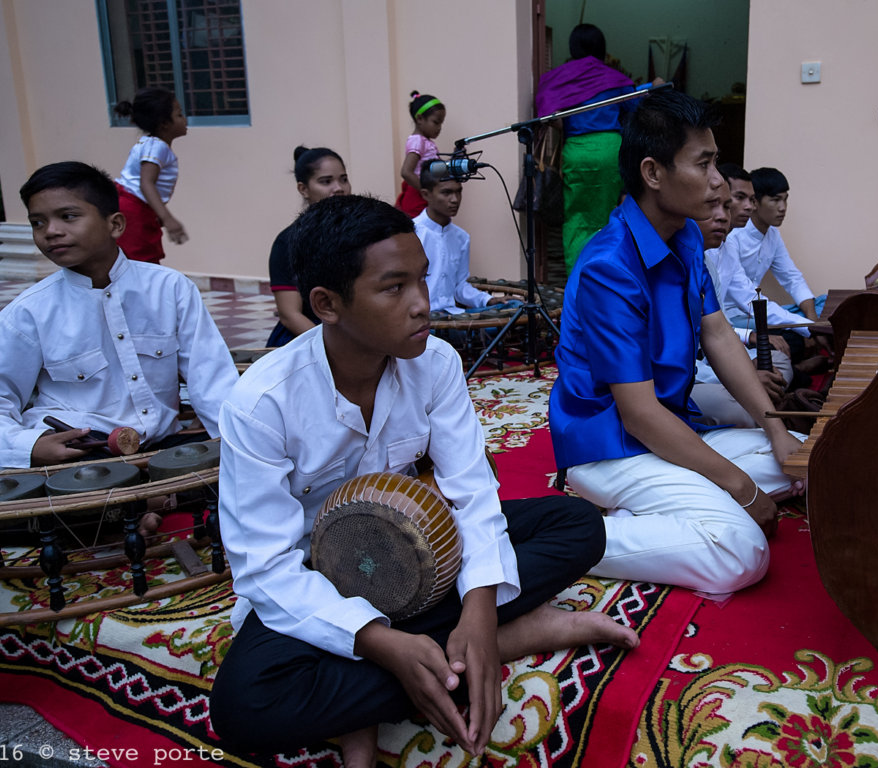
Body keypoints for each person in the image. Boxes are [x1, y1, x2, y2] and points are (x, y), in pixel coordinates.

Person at [209, 194, 638, 767]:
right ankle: (510, 639)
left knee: (577, 523)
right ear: (327, 304)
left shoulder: (435, 363)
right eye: (394, 288)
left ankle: (434, 658)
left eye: (423, 280)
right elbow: (265, 566)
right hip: (320, 575)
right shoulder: (261, 403)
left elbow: (472, 490)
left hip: (423, 553)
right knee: (243, 709)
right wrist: (380, 642)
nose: (422, 305)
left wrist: (480, 608)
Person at [549, 90, 804, 597]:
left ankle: (672, 503)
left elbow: (718, 334)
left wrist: (774, 428)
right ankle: (570, 532)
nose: (719, 183)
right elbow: (638, 415)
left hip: (670, 426)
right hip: (610, 447)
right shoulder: (608, 267)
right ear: (652, 173)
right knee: (741, 552)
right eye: (704, 164)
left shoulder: (684, 236)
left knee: (800, 461)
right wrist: (740, 488)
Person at [0, 162, 237, 471]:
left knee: (218, 474)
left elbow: (214, 381)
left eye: (68, 217)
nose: (51, 231)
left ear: (115, 225)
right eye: (38, 222)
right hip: (80, 455)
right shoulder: (30, 311)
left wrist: (240, 446)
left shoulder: (170, 289)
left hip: (163, 446)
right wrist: (26, 446)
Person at [534, 24, 652, 274]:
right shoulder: (613, 77)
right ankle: (611, 274)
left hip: (577, 152)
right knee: (613, 213)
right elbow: (634, 106)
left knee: (576, 218)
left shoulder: (561, 78)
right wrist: (651, 87)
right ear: (602, 47)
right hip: (611, 150)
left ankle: (578, 277)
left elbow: (547, 111)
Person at [693, 182, 792, 427]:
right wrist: (745, 375)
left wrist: (810, 324)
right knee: (744, 406)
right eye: (712, 206)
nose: (723, 217)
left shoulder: (709, 260)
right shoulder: (620, 263)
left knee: (779, 361)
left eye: (727, 207)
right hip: (679, 379)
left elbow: (719, 329)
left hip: (714, 357)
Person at [267, 146, 351, 347]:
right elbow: (290, 315)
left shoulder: (361, 234)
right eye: (326, 181)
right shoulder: (287, 242)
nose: (338, 188)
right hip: (307, 340)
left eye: (343, 179)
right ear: (303, 189)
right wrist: (338, 346)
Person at [724, 166, 823, 323]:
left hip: (757, 310)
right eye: (775, 200)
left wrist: (813, 320)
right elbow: (746, 296)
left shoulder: (772, 235)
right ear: (756, 202)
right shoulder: (731, 236)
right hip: (734, 315)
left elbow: (792, 278)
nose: (783, 208)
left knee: (823, 304)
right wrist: (808, 327)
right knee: (791, 328)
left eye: (785, 199)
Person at [113, 88, 189, 263]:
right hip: (133, 209)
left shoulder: (153, 144)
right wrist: (168, 219)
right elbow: (146, 183)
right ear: (164, 124)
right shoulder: (157, 147)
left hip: (137, 207)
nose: (184, 119)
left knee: (140, 258)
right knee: (141, 260)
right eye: (179, 115)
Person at [413, 160, 496, 315]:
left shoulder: (461, 238)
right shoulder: (412, 233)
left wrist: (487, 300)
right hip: (422, 319)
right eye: (446, 193)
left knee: (513, 308)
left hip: (453, 316)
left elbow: (459, 286)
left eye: (458, 191)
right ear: (426, 194)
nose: (455, 199)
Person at [395, 91, 445, 218]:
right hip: (417, 196)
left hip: (424, 194)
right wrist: (427, 192)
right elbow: (406, 172)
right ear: (419, 119)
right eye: (436, 122)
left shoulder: (426, 142)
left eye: (441, 123)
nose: (439, 128)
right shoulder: (417, 141)